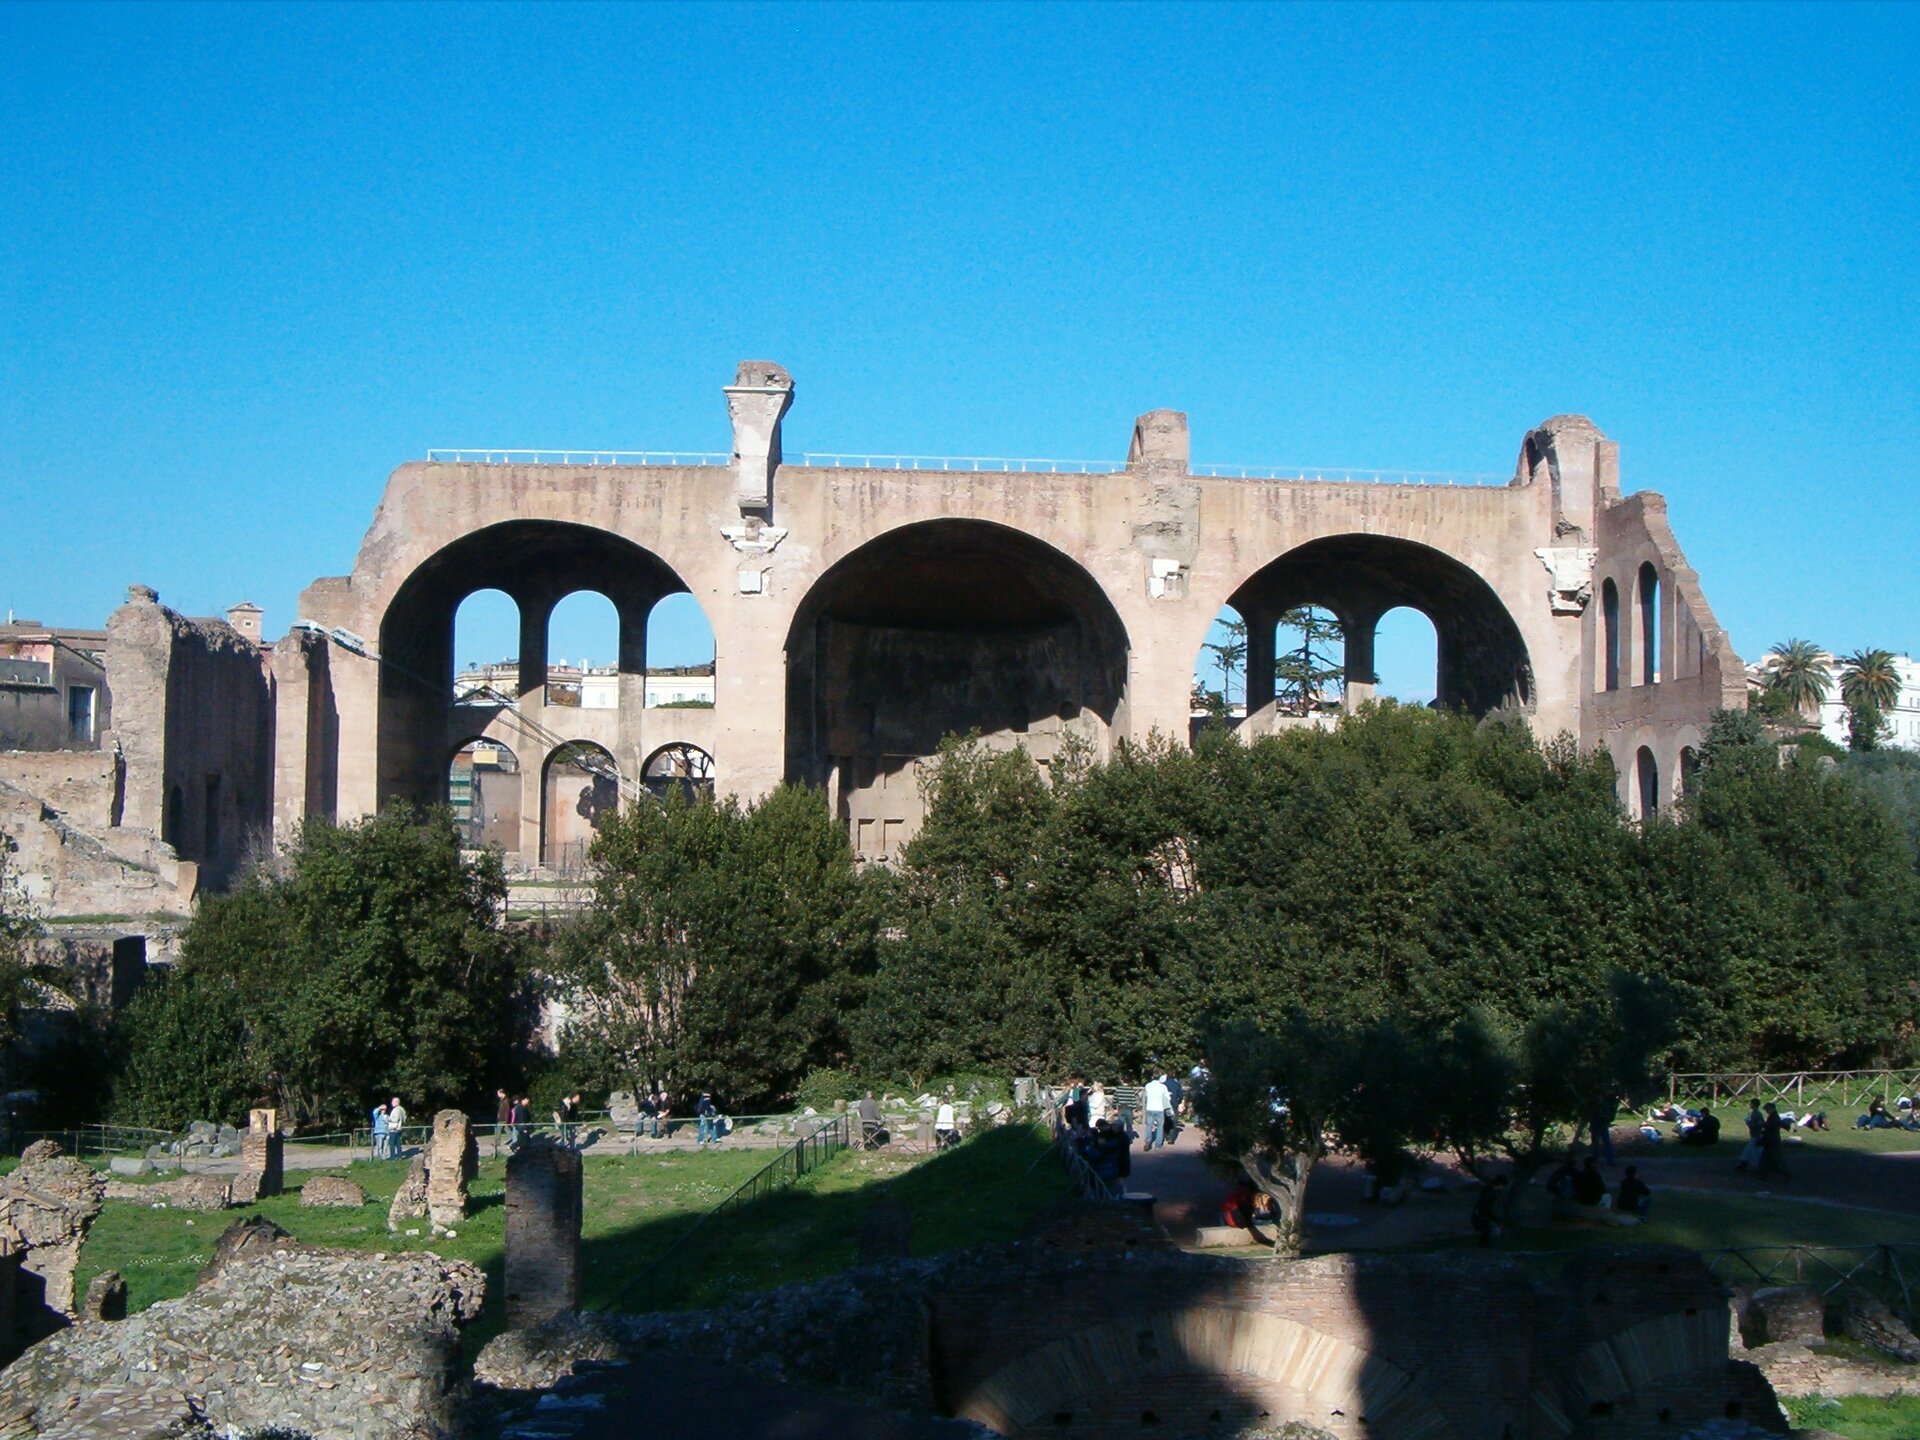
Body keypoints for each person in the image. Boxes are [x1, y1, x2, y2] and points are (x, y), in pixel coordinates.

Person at [1471, 1175, 1508, 1247]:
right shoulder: (1490, 1192)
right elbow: (1486, 1206)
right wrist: (1494, 1218)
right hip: (1482, 1213)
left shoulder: (1491, 1191)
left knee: (1485, 1233)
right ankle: (1484, 1247)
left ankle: (1483, 1247)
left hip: (1483, 1213)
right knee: (1485, 1232)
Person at [1758, 1101, 1789, 1182]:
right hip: (1772, 1140)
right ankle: (1764, 1174)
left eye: (1767, 1109)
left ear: (1770, 1109)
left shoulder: (1773, 1117)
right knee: (1770, 1158)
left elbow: (1770, 1127)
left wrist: (1763, 1126)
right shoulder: (1774, 1116)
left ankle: (1784, 1173)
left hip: (1771, 1140)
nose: (1766, 1111)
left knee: (1770, 1158)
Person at [1143, 1073, 1173, 1151]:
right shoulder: (1163, 1087)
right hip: (1159, 1108)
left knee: (1149, 1126)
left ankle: (1148, 1142)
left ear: (1152, 1077)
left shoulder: (1148, 1086)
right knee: (1160, 1127)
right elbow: (1168, 1098)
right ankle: (1158, 1145)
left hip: (1150, 1107)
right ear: (1159, 1077)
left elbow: (1145, 1097)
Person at [1737, 1099, 1764, 1171]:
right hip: (1755, 1135)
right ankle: (1744, 1164)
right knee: (1750, 1151)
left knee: (1750, 1151)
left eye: (1750, 1103)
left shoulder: (1755, 1114)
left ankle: (1746, 1165)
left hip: (1756, 1135)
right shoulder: (1755, 1113)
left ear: (1753, 1104)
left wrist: (1748, 1122)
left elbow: (1755, 1125)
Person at [495, 1088, 513, 1153]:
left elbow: (507, 1110)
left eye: (498, 1093)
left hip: (503, 1118)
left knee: (498, 1129)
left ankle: (497, 1142)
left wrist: (506, 1119)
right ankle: (513, 1137)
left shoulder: (506, 1100)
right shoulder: (502, 1100)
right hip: (501, 1117)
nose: (497, 1094)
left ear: (502, 1093)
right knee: (506, 1129)